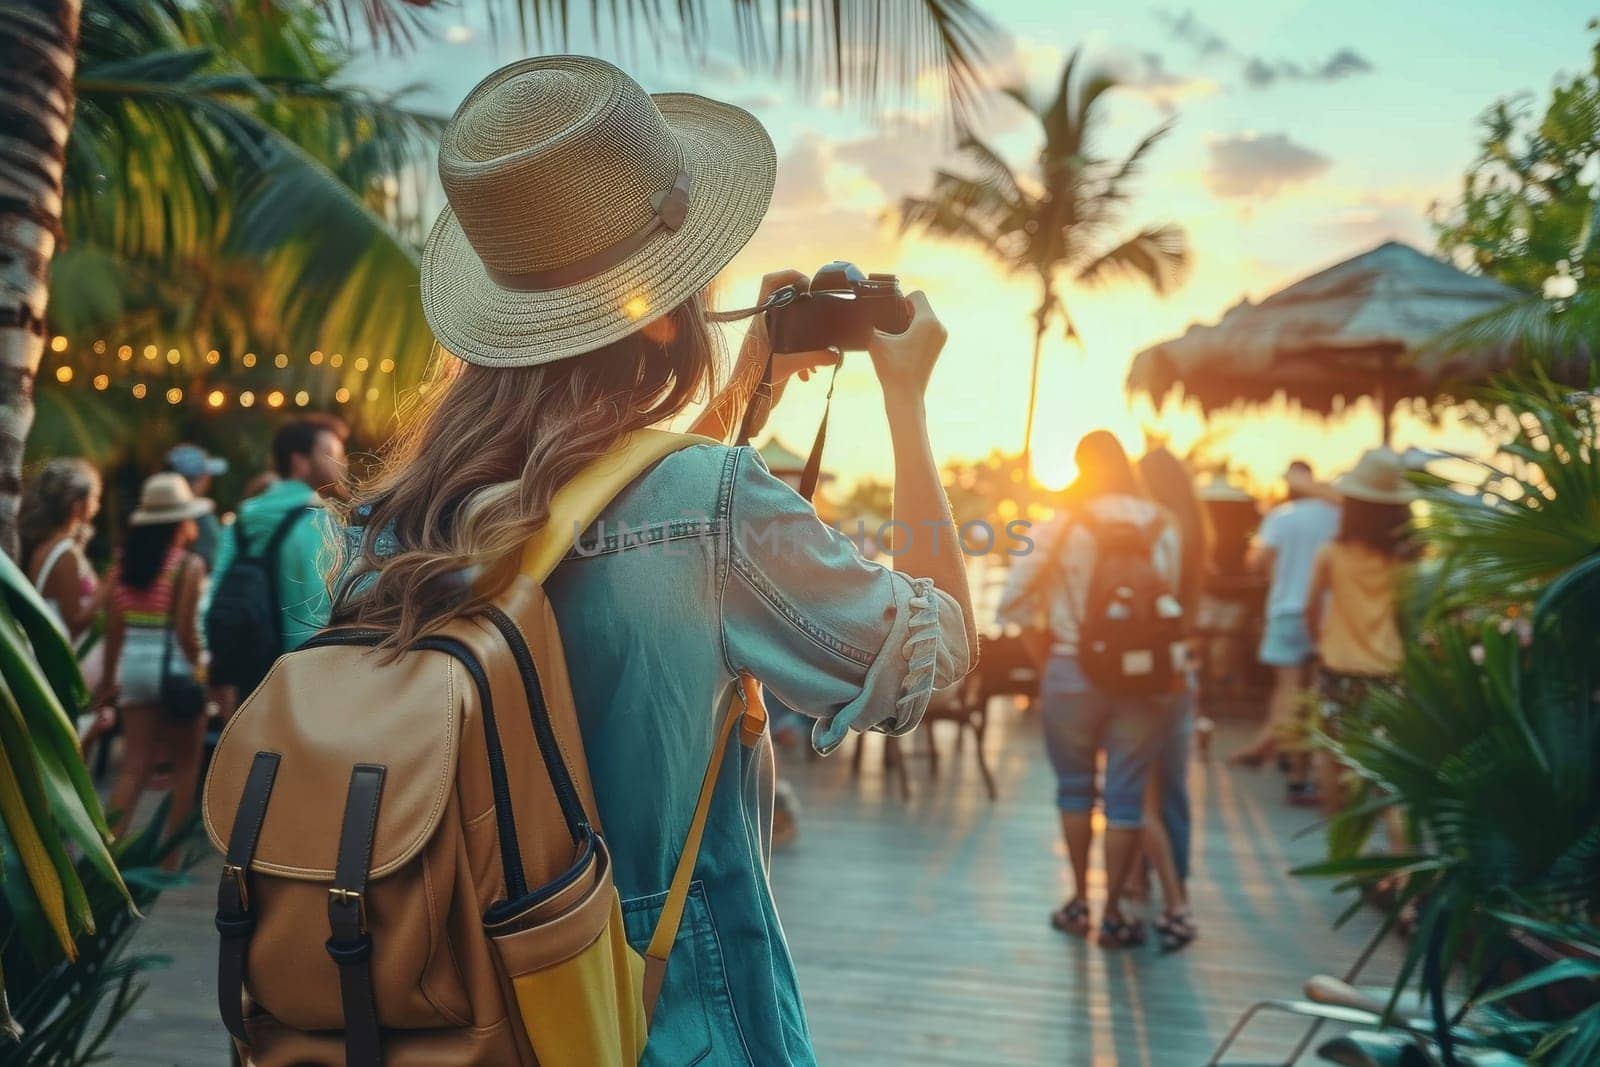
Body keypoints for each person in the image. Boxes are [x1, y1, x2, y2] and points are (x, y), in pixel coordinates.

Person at [329, 56, 973, 1065]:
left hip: (444, 1014)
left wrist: (737, 405)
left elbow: (578, 531)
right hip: (656, 1022)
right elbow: (932, 656)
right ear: (670, 308)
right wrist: (905, 401)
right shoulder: (707, 505)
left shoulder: (382, 527)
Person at [997, 430, 1180, 948]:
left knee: (1075, 789)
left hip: (1071, 669)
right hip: (1145, 677)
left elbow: (1012, 600)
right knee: (1125, 797)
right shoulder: (1162, 524)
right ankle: (1117, 912)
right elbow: (1170, 607)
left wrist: (1047, 653)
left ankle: (1078, 902)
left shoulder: (1060, 525)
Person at [96, 473, 211, 839]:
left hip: (132, 665)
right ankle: (168, 861)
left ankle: (106, 852)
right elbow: (184, 631)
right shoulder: (187, 566)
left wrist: (108, 678)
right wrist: (199, 668)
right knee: (185, 767)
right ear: (180, 521)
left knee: (135, 766)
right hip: (173, 666)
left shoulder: (123, 565)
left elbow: (114, 627)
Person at [1306, 447, 1414, 814]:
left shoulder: (1331, 554)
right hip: (1388, 667)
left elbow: (1310, 607)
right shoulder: (1406, 559)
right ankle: (1396, 842)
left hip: (1337, 663)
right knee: (1384, 760)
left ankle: (1338, 826)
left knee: (1331, 749)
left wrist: (1318, 639)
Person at [1135, 446, 1212, 952]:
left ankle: (1155, 886)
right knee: (1174, 785)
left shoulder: (1153, 528)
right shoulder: (1195, 530)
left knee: (1136, 784)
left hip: (1144, 667)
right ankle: (1174, 884)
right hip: (1181, 666)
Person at [1231, 459, 1339, 776]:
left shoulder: (1280, 517)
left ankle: (1289, 761)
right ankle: (1287, 755)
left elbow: (1256, 561)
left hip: (1287, 609)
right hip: (1327, 612)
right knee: (1319, 691)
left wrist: (1270, 569)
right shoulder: (1335, 515)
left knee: (1288, 688)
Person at [209, 414, 347, 656]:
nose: (342, 463)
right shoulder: (317, 519)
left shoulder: (242, 519)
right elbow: (319, 609)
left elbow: (216, 590)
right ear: (300, 462)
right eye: (332, 454)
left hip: (245, 665)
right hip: (297, 666)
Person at [20, 457, 102, 641]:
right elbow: (74, 623)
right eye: (95, 497)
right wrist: (106, 591)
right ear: (77, 506)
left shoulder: (45, 545)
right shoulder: (66, 554)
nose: (98, 505)